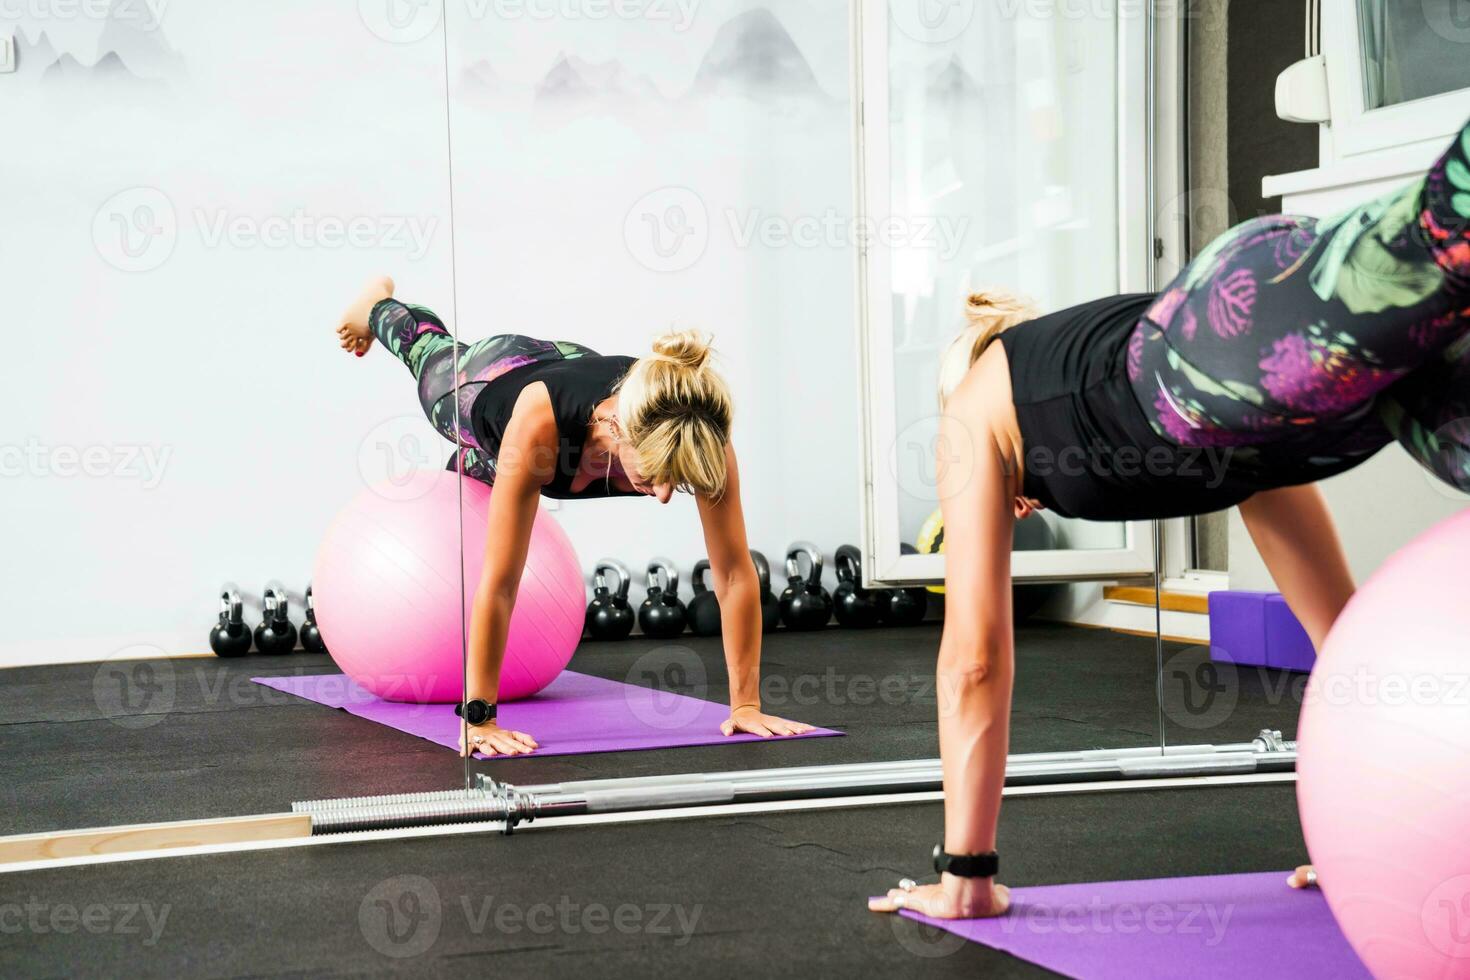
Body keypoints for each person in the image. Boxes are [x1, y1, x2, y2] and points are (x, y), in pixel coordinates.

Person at [872, 116, 1470, 919]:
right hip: (1289, 404)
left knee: (1448, 230)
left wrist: (966, 875)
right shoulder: (1233, 451)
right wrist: (1366, 837)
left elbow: (973, 661)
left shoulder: (971, 414)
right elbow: (1346, 649)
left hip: (1230, 325)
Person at [336, 279, 814, 756]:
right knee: (431, 359)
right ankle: (379, 304)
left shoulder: (698, 434)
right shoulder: (540, 427)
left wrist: (746, 705)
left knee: (494, 476)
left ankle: (474, 467)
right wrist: (480, 718)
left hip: (571, 364)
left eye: (678, 480)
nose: (666, 495)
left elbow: (733, 575)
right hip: (492, 374)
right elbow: (501, 584)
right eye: (654, 474)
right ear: (615, 428)